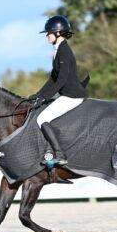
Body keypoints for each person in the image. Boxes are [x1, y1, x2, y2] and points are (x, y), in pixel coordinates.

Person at [29, 15, 88, 166]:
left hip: (72, 96)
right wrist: (39, 95)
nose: (47, 36)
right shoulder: (58, 49)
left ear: (58, 33)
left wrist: (46, 96)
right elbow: (53, 78)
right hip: (67, 94)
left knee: (42, 119)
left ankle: (60, 154)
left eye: (49, 33)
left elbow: (61, 80)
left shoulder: (64, 51)